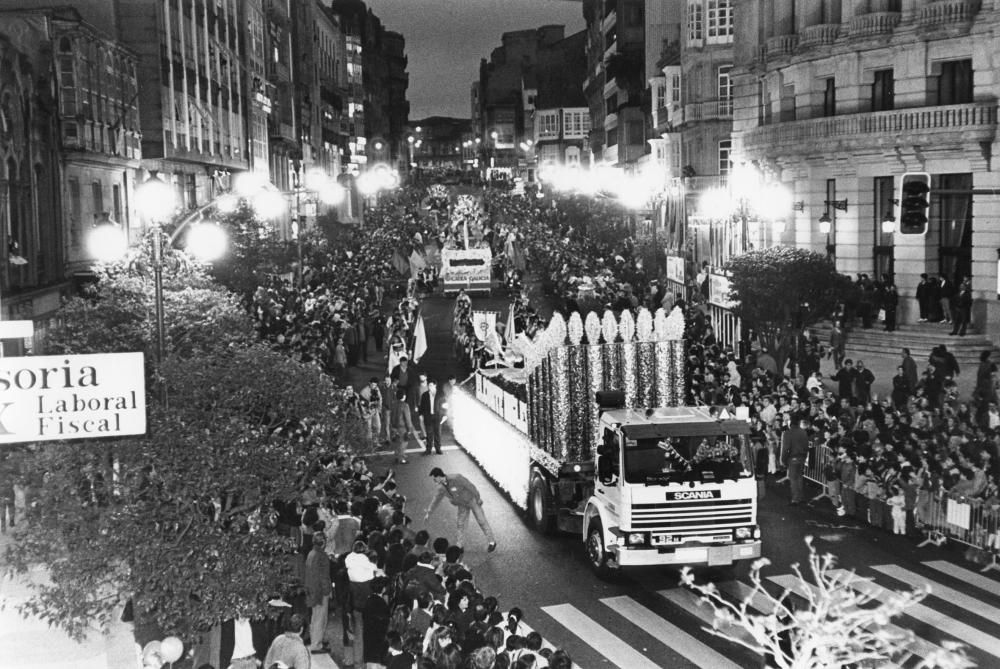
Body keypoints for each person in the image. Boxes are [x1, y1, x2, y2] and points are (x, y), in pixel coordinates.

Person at [425, 467, 497, 552]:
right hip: (461, 505)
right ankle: (459, 546)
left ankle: (492, 542)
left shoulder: (456, 478)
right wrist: (429, 512)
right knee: (460, 524)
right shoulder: (441, 488)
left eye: (434, 479)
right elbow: (435, 500)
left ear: (438, 477)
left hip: (472, 501)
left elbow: (471, 487)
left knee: (481, 520)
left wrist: (478, 498)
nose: (434, 481)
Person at [304, 533, 332, 654]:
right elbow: (324, 576)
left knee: (315, 617)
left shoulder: (311, 553)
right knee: (321, 618)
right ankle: (316, 645)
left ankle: (315, 640)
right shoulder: (322, 556)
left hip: (312, 589)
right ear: (324, 542)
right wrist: (328, 591)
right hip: (320, 591)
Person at [782, 418, 810, 505]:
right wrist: (804, 456)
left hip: (792, 457)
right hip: (802, 457)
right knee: (799, 477)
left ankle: (795, 499)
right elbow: (806, 446)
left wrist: (783, 459)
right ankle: (801, 497)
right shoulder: (803, 432)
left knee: (793, 478)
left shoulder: (788, 433)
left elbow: (786, 448)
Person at [419, 379, 445, 455]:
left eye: (431, 385)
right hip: (428, 417)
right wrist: (420, 414)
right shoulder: (425, 395)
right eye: (429, 385)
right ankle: (428, 449)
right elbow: (421, 406)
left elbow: (445, 405)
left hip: (438, 416)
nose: (429, 387)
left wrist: (445, 415)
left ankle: (438, 449)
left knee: (438, 433)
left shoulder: (440, 394)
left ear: (435, 385)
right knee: (429, 433)